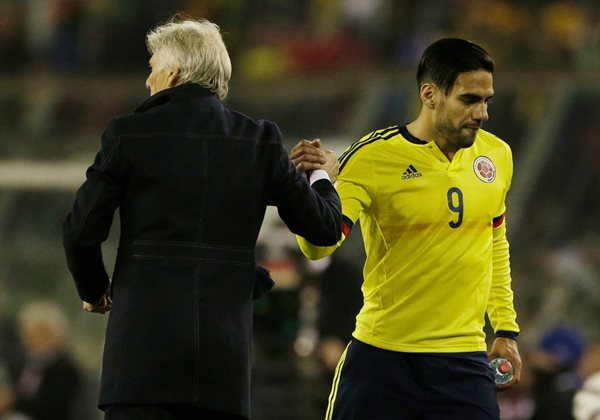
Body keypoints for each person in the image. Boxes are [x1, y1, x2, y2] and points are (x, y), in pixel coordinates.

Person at [62, 16, 342, 420]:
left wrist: (94, 290)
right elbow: (324, 228)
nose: (147, 80)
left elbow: (80, 230)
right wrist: (320, 178)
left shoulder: (129, 134)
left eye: (152, 68)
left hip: (142, 364)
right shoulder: (259, 141)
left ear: (173, 74)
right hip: (222, 369)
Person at [291, 38, 522, 419]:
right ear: (429, 94)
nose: (482, 113)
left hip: (462, 362)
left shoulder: (497, 155)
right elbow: (319, 246)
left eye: (487, 100)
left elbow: (495, 241)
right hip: (382, 360)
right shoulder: (372, 157)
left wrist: (506, 331)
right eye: (469, 100)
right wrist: (316, 185)